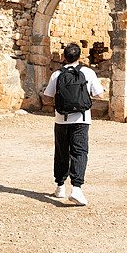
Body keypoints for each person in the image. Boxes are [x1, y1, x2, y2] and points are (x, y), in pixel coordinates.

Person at [42, 43, 104, 205]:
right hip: (82, 119)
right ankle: (76, 188)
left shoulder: (57, 75)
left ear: (63, 57)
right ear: (80, 57)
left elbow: (47, 98)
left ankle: (60, 186)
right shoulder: (88, 72)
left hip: (61, 119)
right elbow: (99, 94)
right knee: (79, 152)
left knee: (62, 151)